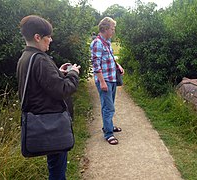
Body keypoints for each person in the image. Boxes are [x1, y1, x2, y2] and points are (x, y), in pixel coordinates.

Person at [16, 15, 81, 180]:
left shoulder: (25, 57)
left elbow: (41, 83)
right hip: (52, 123)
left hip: (42, 121)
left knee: (55, 167)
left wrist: (59, 72)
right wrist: (73, 74)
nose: (51, 40)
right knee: (57, 172)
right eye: (48, 37)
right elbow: (62, 90)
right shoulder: (40, 60)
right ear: (37, 37)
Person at [90, 17, 124, 145]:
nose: (113, 31)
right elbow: (96, 65)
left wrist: (118, 65)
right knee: (108, 107)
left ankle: (108, 125)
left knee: (110, 105)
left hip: (112, 78)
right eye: (112, 29)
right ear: (105, 29)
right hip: (105, 80)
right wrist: (102, 82)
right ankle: (108, 133)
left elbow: (109, 57)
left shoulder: (107, 42)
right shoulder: (97, 43)